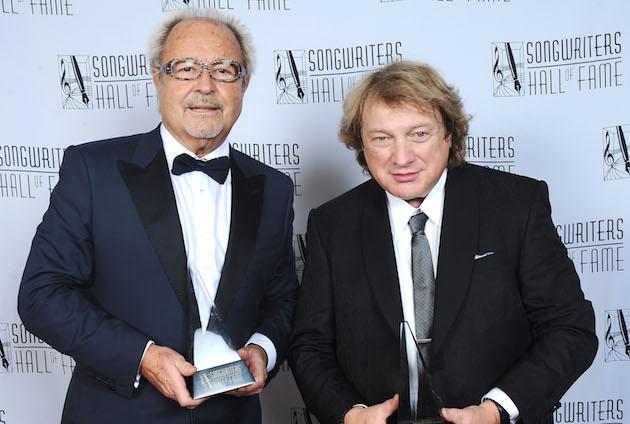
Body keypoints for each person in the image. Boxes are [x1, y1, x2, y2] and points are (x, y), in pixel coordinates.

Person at [18, 9, 297, 424]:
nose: (205, 85)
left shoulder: (274, 188)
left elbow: (283, 298)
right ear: (157, 78)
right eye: (185, 69)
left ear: (244, 84)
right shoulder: (93, 171)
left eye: (224, 70)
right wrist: (142, 356)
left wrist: (263, 348)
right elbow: (42, 294)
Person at [288, 61, 597, 424]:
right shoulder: (332, 224)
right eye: (382, 138)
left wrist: (496, 410)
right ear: (362, 145)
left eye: (419, 134)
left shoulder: (516, 205)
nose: (401, 157)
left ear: (449, 134)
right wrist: (350, 415)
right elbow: (310, 346)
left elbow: (569, 328)